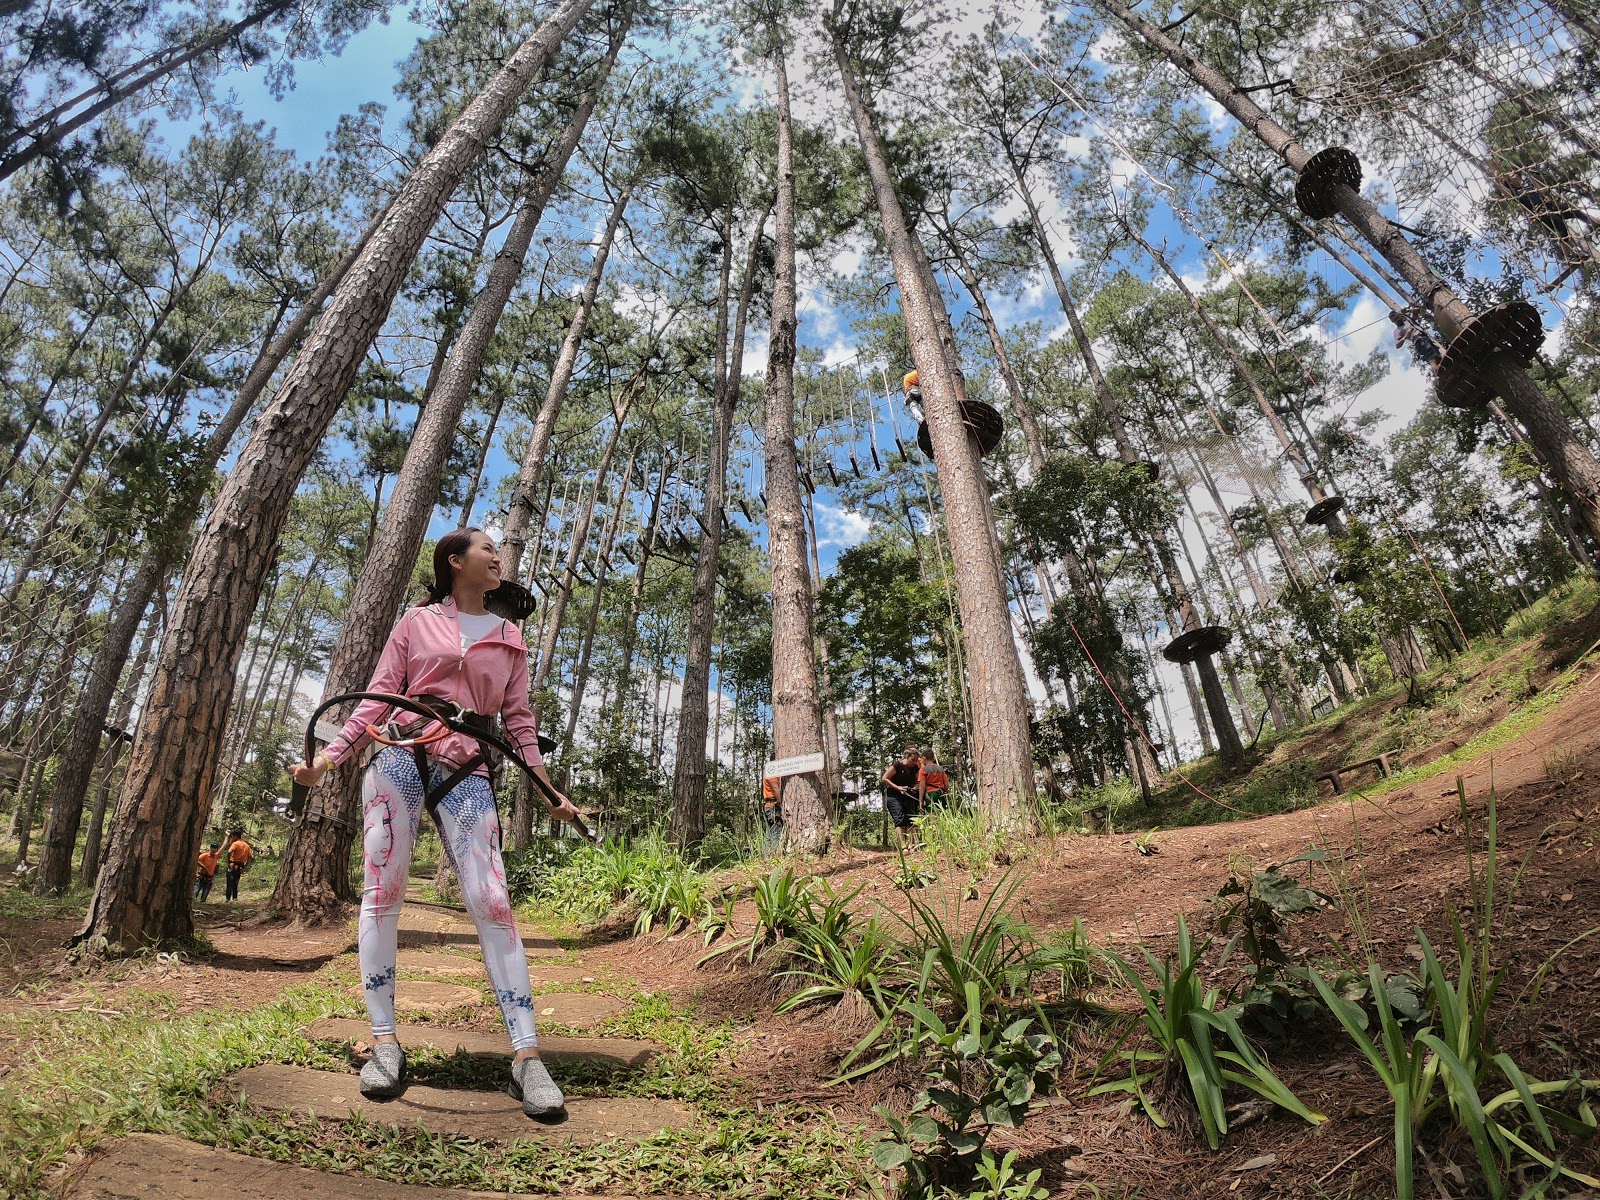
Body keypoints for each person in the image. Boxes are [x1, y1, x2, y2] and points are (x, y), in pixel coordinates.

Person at [289, 527, 578, 1116]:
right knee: (383, 893)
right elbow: (376, 699)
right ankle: (384, 1043)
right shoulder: (415, 623)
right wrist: (326, 760)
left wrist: (547, 789)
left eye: (498, 551)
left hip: (468, 767)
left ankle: (526, 1057)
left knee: (492, 900)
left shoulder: (510, 637)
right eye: (486, 549)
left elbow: (519, 722)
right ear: (455, 561)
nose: (497, 557)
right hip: (397, 754)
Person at [881, 746, 923, 848]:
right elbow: (885, 778)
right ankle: (903, 846)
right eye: (912, 760)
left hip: (908, 794)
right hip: (894, 795)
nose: (914, 762)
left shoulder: (915, 768)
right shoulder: (897, 765)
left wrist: (915, 787)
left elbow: (918, 781)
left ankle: (911, 845)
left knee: (911, 819)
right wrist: (898, 788)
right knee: (899, 818)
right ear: (906, 757)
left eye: (916, 760)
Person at [224, 833, 252, 901]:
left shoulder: (235, 843)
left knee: (229, 883)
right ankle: (235, 898)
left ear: (235, 836)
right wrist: (245, 865)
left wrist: (228, 861)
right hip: (240, 867)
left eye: (233, 836)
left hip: (232, 865)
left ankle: (228, 899)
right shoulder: (247, 845)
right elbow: (250, 857)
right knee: (235, 883)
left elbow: (229, 851)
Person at [761, 775, 782, 849]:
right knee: (775, 833)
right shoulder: (772, 773)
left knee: (769, 834)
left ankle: (767, 857)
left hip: (769, 806)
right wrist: (780, 802)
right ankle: (775, 856)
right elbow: (775, 788)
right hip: (773, 807)